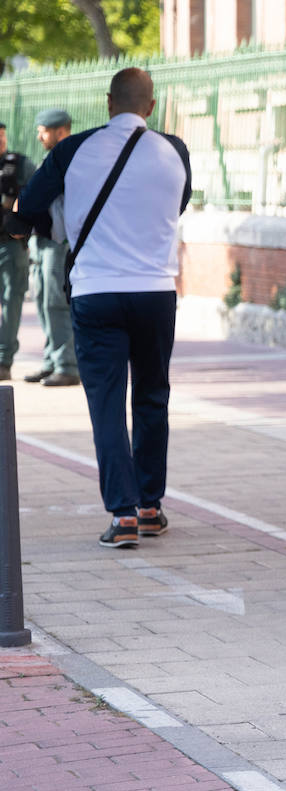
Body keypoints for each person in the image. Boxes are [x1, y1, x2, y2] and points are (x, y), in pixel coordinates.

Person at [13, 68, 190, 548]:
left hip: (96, 292)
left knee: (107, 405)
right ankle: (152, 506)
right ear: (150, 107)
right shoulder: (175, 151)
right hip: (155, 292)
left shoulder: (72, 150)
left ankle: (124, 514)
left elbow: (26, 212)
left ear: (108, 102)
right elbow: (178, 206)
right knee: (153, 397)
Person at [25, 109, 80, 388]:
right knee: (43, 301)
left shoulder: (71, 158)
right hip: (43, 240)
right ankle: (51, 361)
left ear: (61, 131)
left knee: (56, 304)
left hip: (59, 242)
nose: (39, 136)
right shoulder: (53, 158)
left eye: (43, 130)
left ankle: (66, 365)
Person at [0, 123, 34, 382]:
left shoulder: (19, 164)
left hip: (10, 246)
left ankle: (3, 360)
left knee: (11, 302)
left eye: (2, 136)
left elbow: (35, 196)